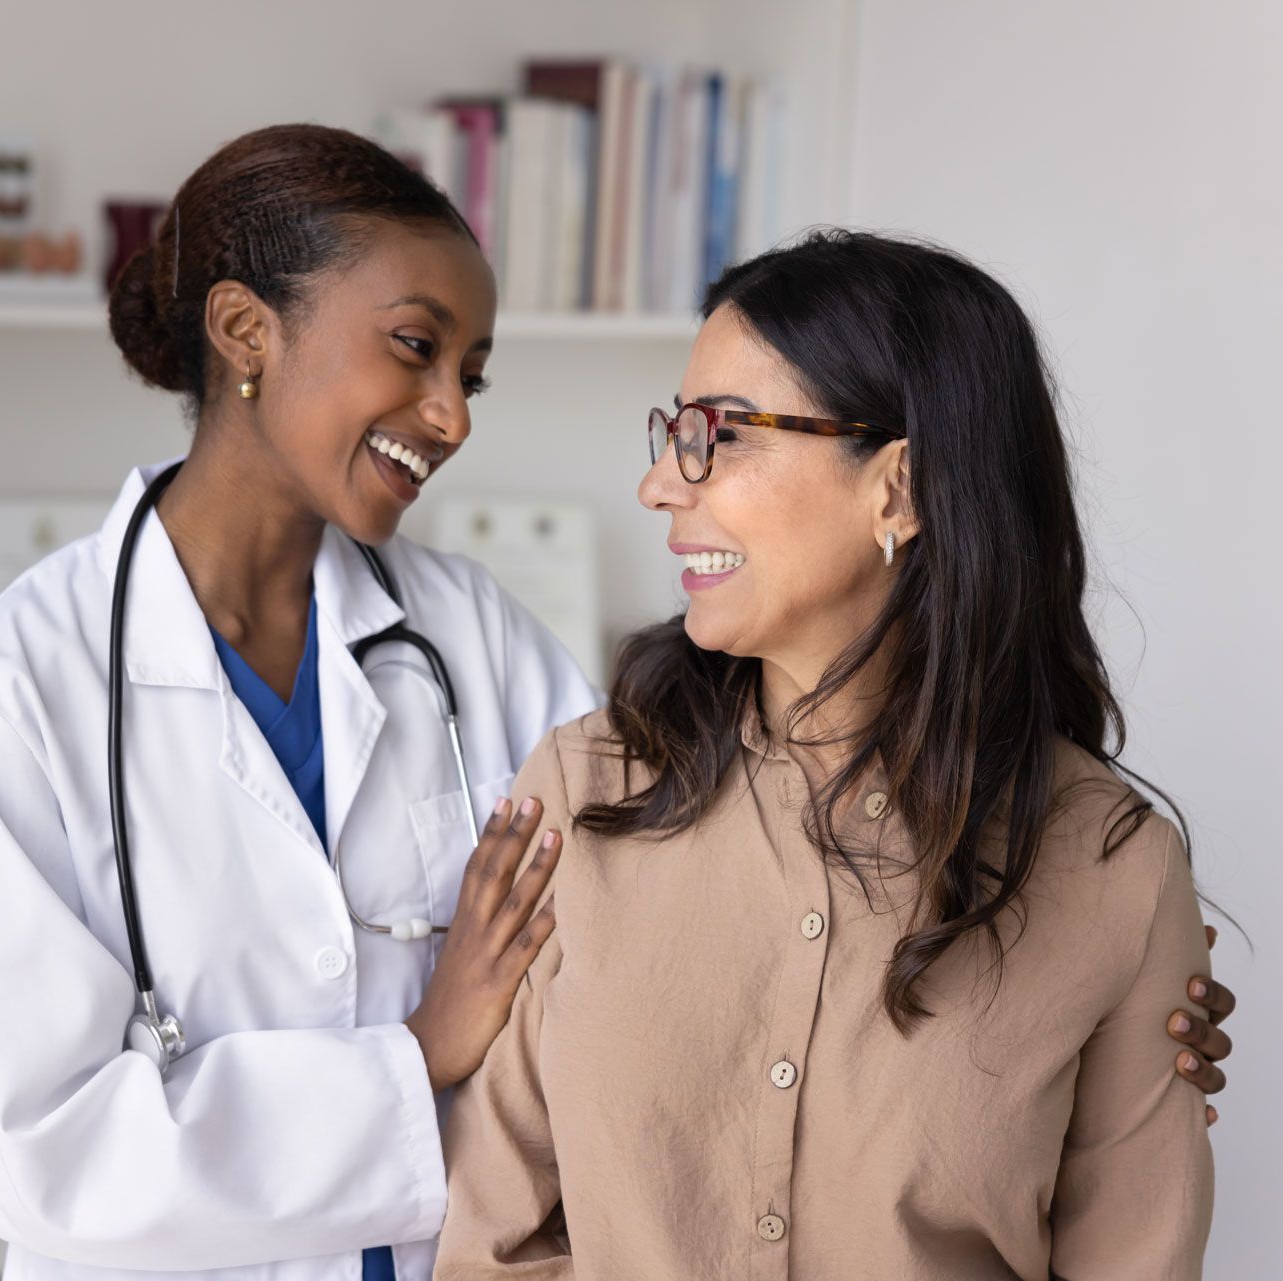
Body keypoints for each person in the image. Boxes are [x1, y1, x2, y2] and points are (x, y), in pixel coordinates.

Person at [0, 125, 1236, 1281]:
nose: (450, 415)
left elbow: (710, 885)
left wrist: (1083, 988)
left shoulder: (471, 642)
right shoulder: (17, 695)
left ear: (899, 487)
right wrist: (420, 1051)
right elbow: (38, 1149)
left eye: (470, 374)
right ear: (246, 333)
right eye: (415, 349)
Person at [438, 231, 1224, 1279]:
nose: (661, 485)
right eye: (674, 431)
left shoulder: (1113, 869)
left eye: (717, 434)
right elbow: (494, 1243)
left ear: (897, 488)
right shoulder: (589, 791)